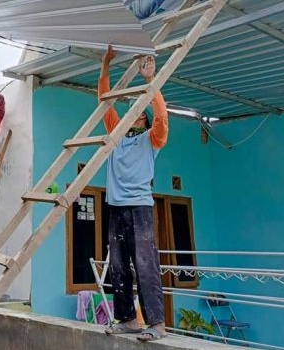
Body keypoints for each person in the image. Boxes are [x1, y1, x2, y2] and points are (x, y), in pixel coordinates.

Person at [99, 45, 169, 342]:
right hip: (115, 207)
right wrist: (105, 65)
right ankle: (127, 318)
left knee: (145, 264)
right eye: (134, 112)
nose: (136, 116)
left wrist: (149, 81)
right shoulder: (116, 134)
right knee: (117, 266)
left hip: (140, 207)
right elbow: (103, 100)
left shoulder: (151, 139)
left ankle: (156, 323)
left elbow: (162, 119)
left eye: (141, 114)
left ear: (144, 120)